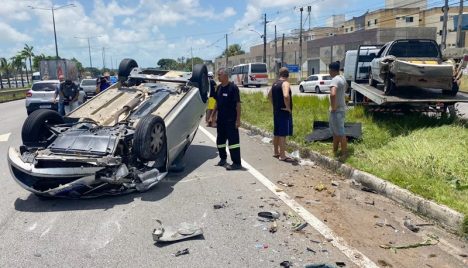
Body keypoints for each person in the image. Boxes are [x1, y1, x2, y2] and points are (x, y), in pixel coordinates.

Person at [208, 68, 242, 171]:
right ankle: (223, 159)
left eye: (219, 75)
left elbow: (238, 105)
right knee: (220, 141)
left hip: (231, 121)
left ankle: (236, 163)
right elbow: (217, 103)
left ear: (226, 76)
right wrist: (212, 116)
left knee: (233, 143)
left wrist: (238, 120)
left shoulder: (233, 88)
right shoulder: (218, 88)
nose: (218, 77)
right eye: (217, 75)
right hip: (221, 121)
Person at [268, 67, 294, 162]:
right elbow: (286, 95)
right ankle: (282, 155)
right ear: (288, 75)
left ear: (279, 74)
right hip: (284, 112)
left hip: (276, 111)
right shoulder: (285, 83)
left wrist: (274, 105)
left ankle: (276, 152)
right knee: (283, 134)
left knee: (277, 133)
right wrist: (288, 107)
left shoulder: (275, 83)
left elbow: (269, 95)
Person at [328, 61, 348, 157]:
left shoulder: (335, 80)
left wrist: (333, 107)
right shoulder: (342, 78)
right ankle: (335, 151)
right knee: (336, 132)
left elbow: (333, 94)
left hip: (337, 111)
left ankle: (344, 154)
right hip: (342, 109)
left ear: (331, 70)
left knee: (340, 133)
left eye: (329, 70)